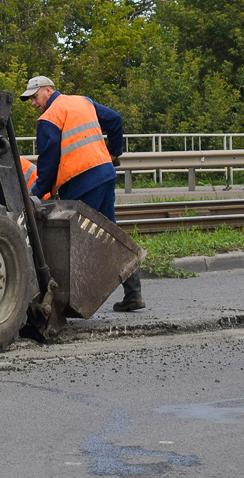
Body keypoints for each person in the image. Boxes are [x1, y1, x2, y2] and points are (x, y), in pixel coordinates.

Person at [20, 75, 144, 312]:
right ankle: (134, 293)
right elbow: (115, 120)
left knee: (75, 242)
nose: (34, 103)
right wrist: (113, 154)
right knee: (111, 233)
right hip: (105, 174)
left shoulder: (49, 118)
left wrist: (35, 193)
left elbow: (48, 164)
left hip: (81, 181)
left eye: (35, 97)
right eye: (30, 100)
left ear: (48, 90)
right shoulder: (82, 101)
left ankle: (71, 303)